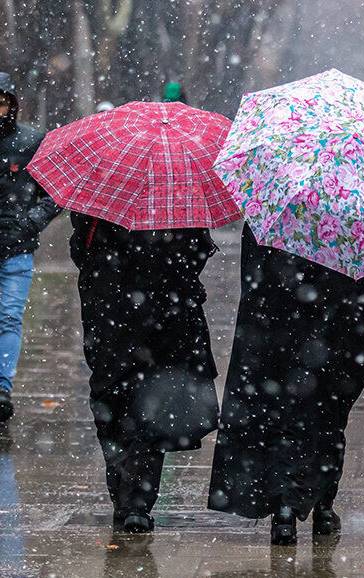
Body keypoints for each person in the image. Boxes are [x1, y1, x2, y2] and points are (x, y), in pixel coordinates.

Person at [208, 226, 364, 545]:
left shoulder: (275, 209)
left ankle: (287, 506)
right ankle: (321, 504)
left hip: (280, 332)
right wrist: (362, 330)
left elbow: (253, 280)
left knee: (286, 415)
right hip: (340, 330)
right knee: (327, 418)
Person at [69, 213, 219, 533]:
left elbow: (80, 248)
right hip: (166, 310)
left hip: (110, 308)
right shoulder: (181, 197)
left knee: (112, 396)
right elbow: (198, 251)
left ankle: (125, 488)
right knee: (151, 403)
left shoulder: (103, 189)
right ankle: (137, 498)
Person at [0, 71, 61, 423]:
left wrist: (30, 221)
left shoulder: (31, 143)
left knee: (9, 317)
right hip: (18, 241)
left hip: (17, 248)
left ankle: (3, 386)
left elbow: (53, 192)